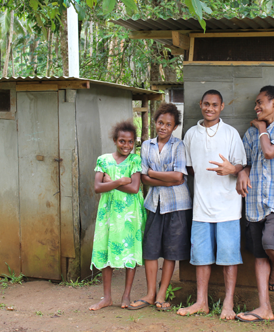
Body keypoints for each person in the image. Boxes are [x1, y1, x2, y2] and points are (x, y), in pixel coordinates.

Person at [176, 90, 247, 320]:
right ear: (200, 104)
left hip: (228, 207)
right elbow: (188, 168)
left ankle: (228, 303)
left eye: (214, 105)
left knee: (229, 257)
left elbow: (241, 164)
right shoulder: (191, 135)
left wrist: (232, 169)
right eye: (206, 104)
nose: (210, 108)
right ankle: (201, 302)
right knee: (201, 257)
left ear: (222, 107)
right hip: (201, 207)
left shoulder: (230, 133)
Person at [235, 85, 274, 323]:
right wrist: (243, 171)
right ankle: (264, 307)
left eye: (260, 102)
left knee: (271, 243)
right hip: (254, 201)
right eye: (255, 104)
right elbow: (247, 161)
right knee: (259, 253)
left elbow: (270, 151)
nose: (256, 107)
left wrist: (262, 129)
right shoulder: (249, 134)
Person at [128, 103, 192, 311]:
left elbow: (178, 176)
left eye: (168, 124)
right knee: (151, 250)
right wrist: (164, 179)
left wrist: (154, 173)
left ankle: (162, 294)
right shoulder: (146, 145)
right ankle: (149, 293)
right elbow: (144, 179)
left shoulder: (179, 146)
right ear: (155, 122)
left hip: (177, 205)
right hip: (154, 204)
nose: (163, 127)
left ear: (175, 127)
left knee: (171, 251)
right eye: (160, 122)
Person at [89, 119, 147, 311]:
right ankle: (106, 297)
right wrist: (121, 180)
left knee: (129, 252)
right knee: (107, 251)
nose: (126, 145)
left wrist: (111, 181)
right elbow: (98, 187)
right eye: (122, 141)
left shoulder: (135, 160)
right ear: (115, 140)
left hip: (130, 214)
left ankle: (126, 296)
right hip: (108, 213)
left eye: (130, 142)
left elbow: (134, 187)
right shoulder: (103, 160)